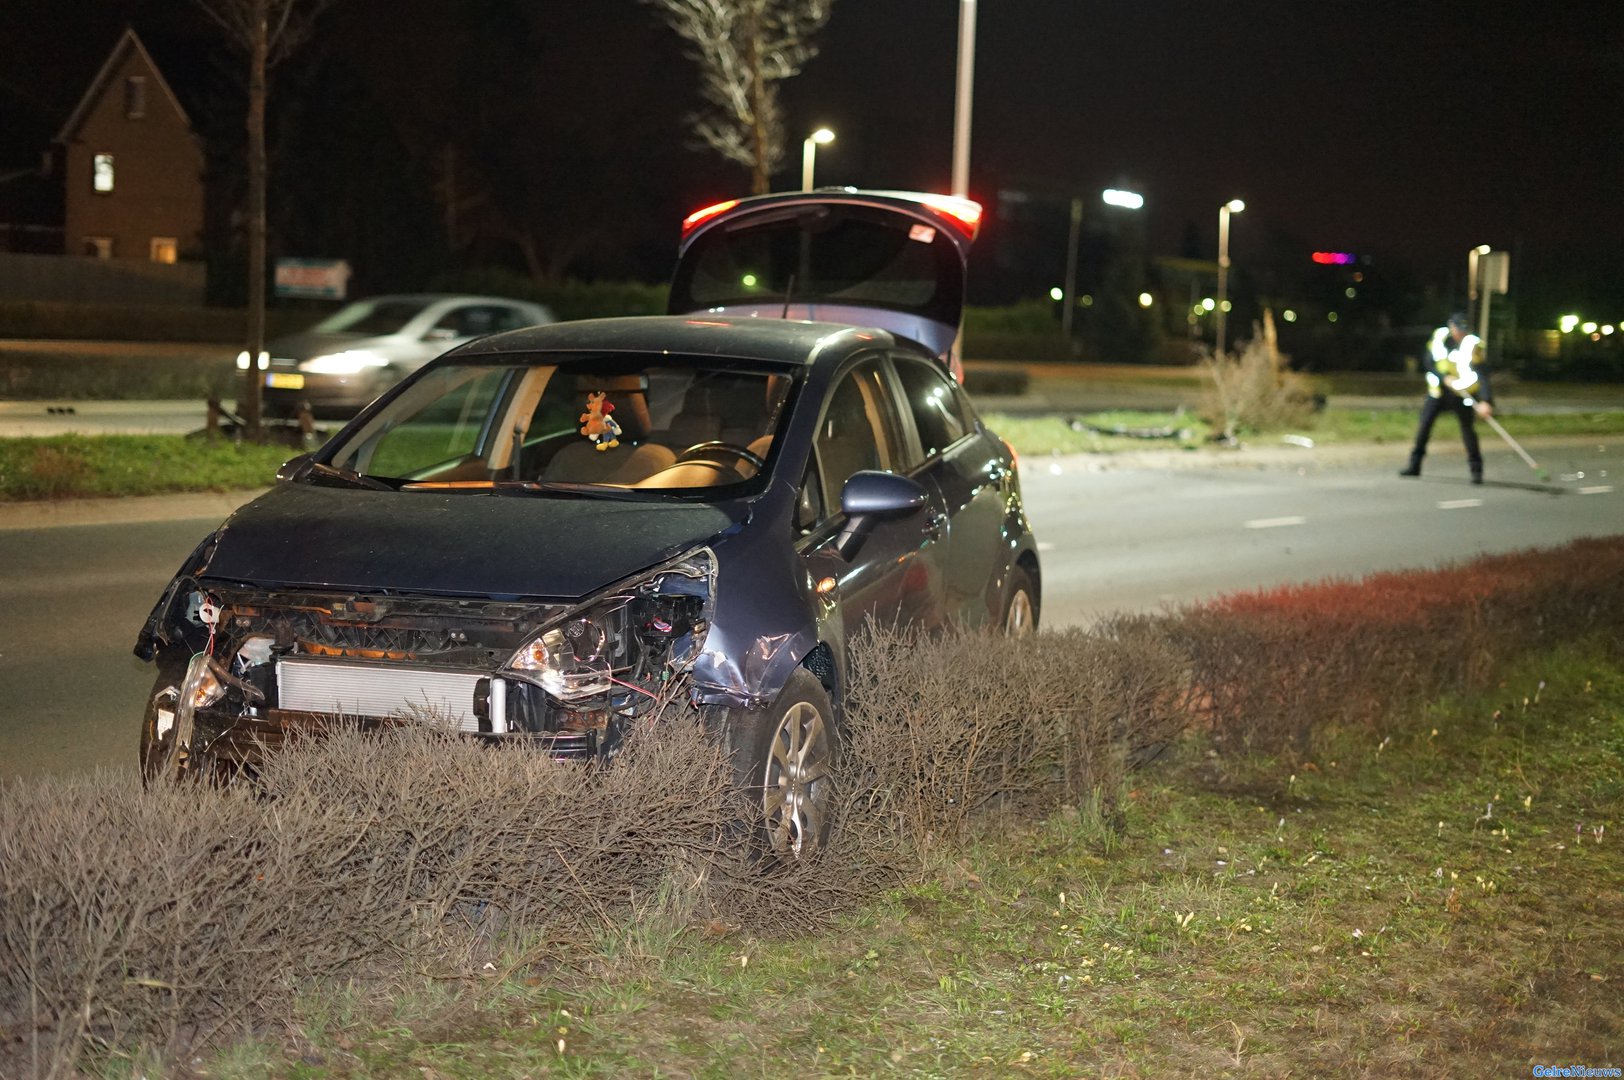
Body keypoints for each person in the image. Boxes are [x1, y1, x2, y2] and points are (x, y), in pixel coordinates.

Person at [1400, 312, 1493, 483]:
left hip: (1462, 394)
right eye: (1458, 329)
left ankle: (1476, 471)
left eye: (1463, 330)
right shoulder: (1439, 338)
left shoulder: (1472, 345)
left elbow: (1483, 374)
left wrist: (1486, 401)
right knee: (1424, 427)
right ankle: (1414, 465)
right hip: (1438, 392)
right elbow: (1428, 363)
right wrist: (1444, 378)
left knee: (1467, 431)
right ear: (1451, 327)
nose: (1460, 334)